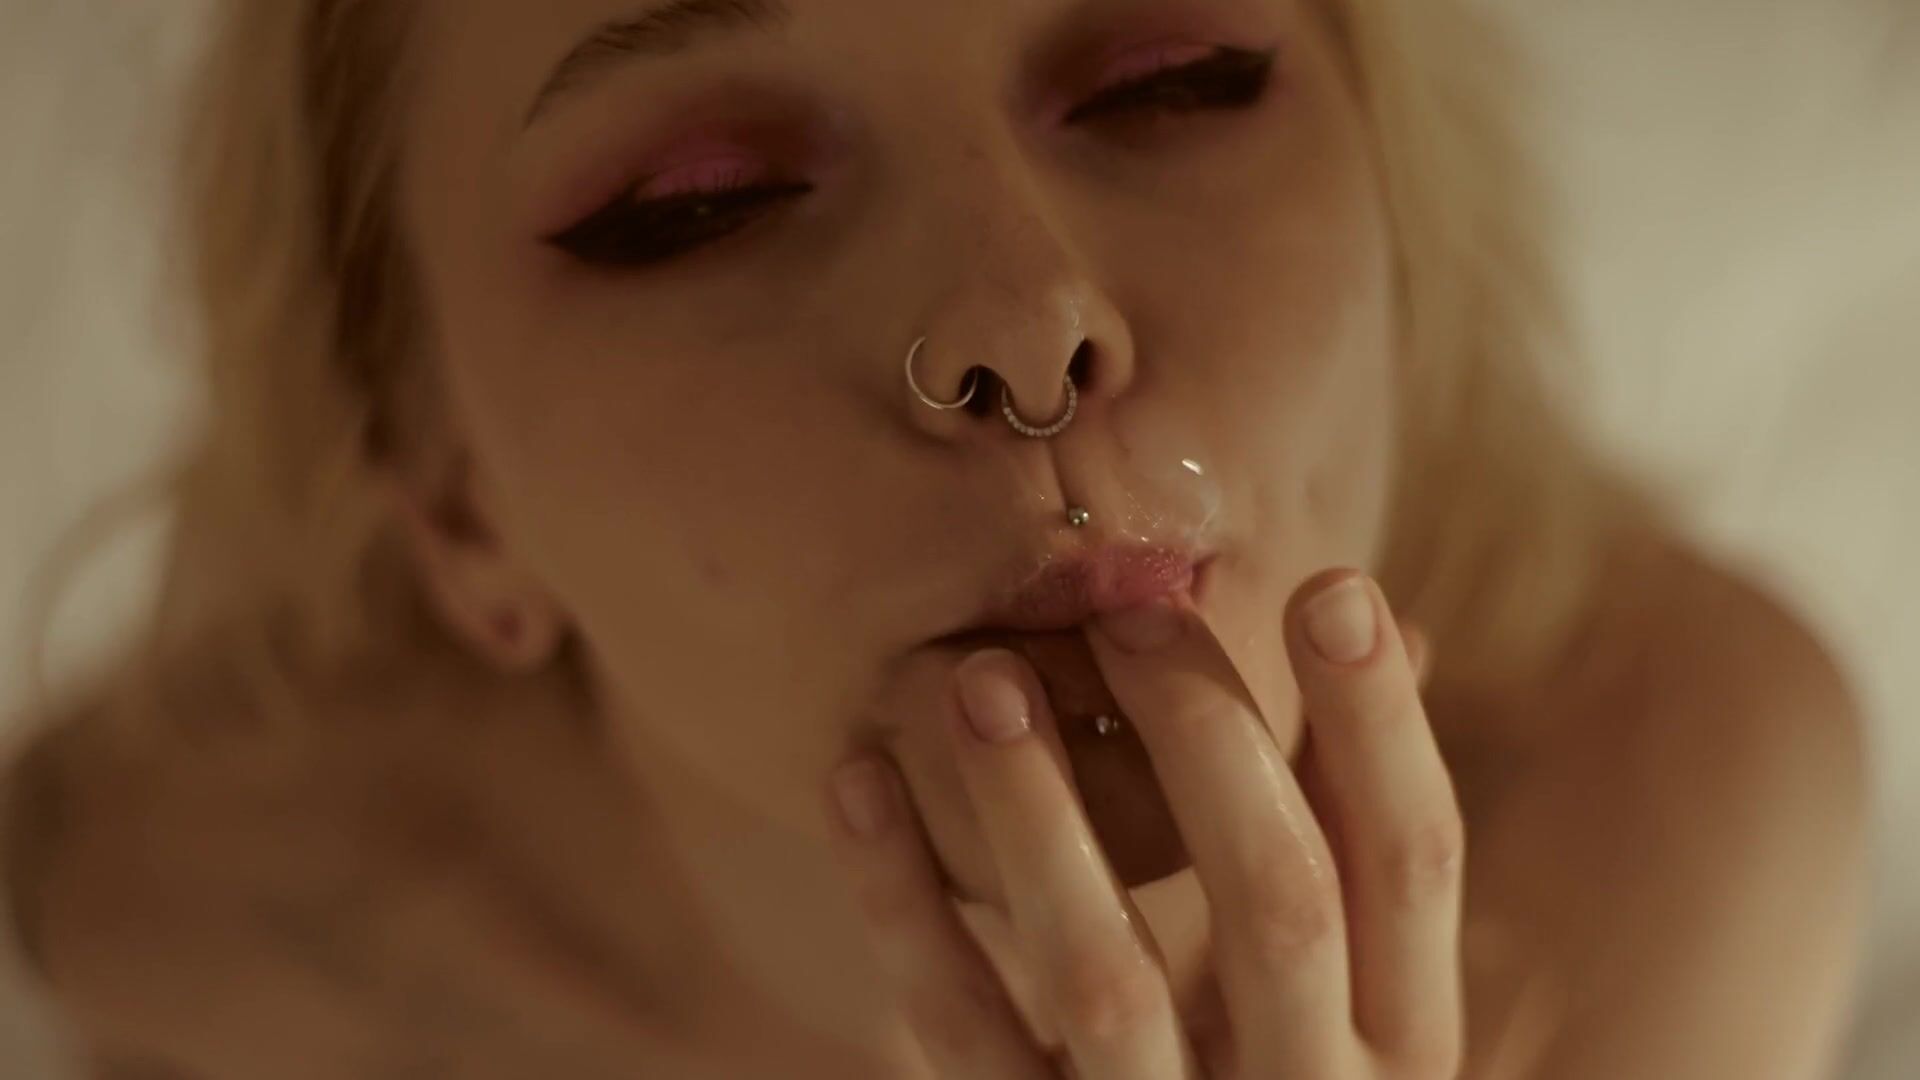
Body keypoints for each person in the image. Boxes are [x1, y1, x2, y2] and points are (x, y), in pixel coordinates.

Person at [0, 0, 1869, 1076]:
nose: (1028, 316)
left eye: (1168, 76)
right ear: (453, 507)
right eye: (699, 204)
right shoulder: (234, 900)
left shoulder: (1656, 810)